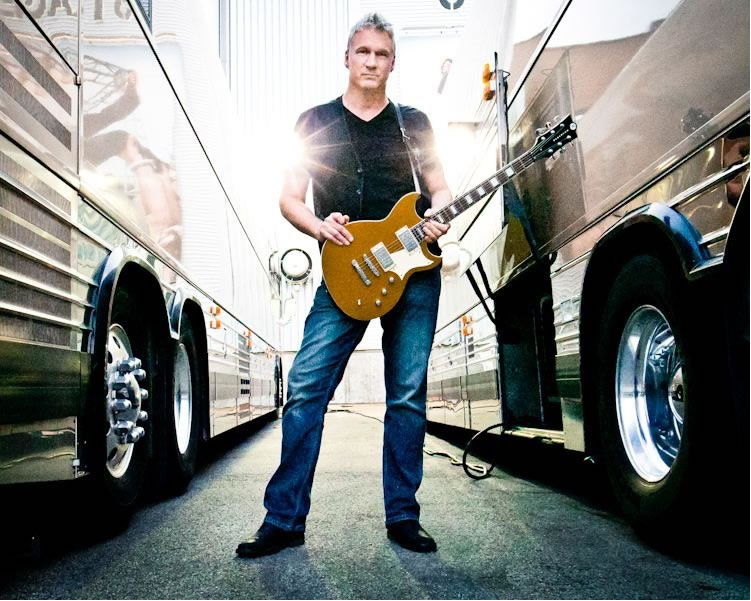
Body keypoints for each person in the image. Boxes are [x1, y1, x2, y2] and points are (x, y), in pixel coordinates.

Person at [236, 12, 454, 559]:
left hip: (412, 271)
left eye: (382, 54)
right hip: (344, 274)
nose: (372, 62)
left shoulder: (414, 122)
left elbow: (439, 186)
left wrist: (442, 213)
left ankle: (403, 515)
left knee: (406, 397)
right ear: (347, 57)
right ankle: (283, 519)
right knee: (306, 389)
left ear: (392, 62)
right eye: (363, 52)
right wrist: (318, 226)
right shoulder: (313, 121)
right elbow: (289, 197)